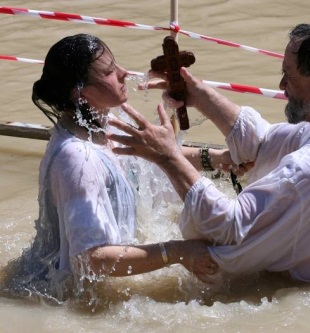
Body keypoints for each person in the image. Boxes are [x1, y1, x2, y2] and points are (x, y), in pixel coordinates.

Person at [107, 24, 310, 289]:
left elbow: (229, 228)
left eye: (288, 75)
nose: (282, 86)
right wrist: (197, 93)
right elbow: (264, 144)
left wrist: (168, 158)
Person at [1, 33, 223, 302]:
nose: (124, 73)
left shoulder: (102, 122)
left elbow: (153, 157)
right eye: (109, 72)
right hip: (50, 298)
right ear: (79, 92)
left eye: (116, 64)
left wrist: (219, 158)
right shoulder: (77, 159)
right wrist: (177, 252)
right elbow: (91, 259)